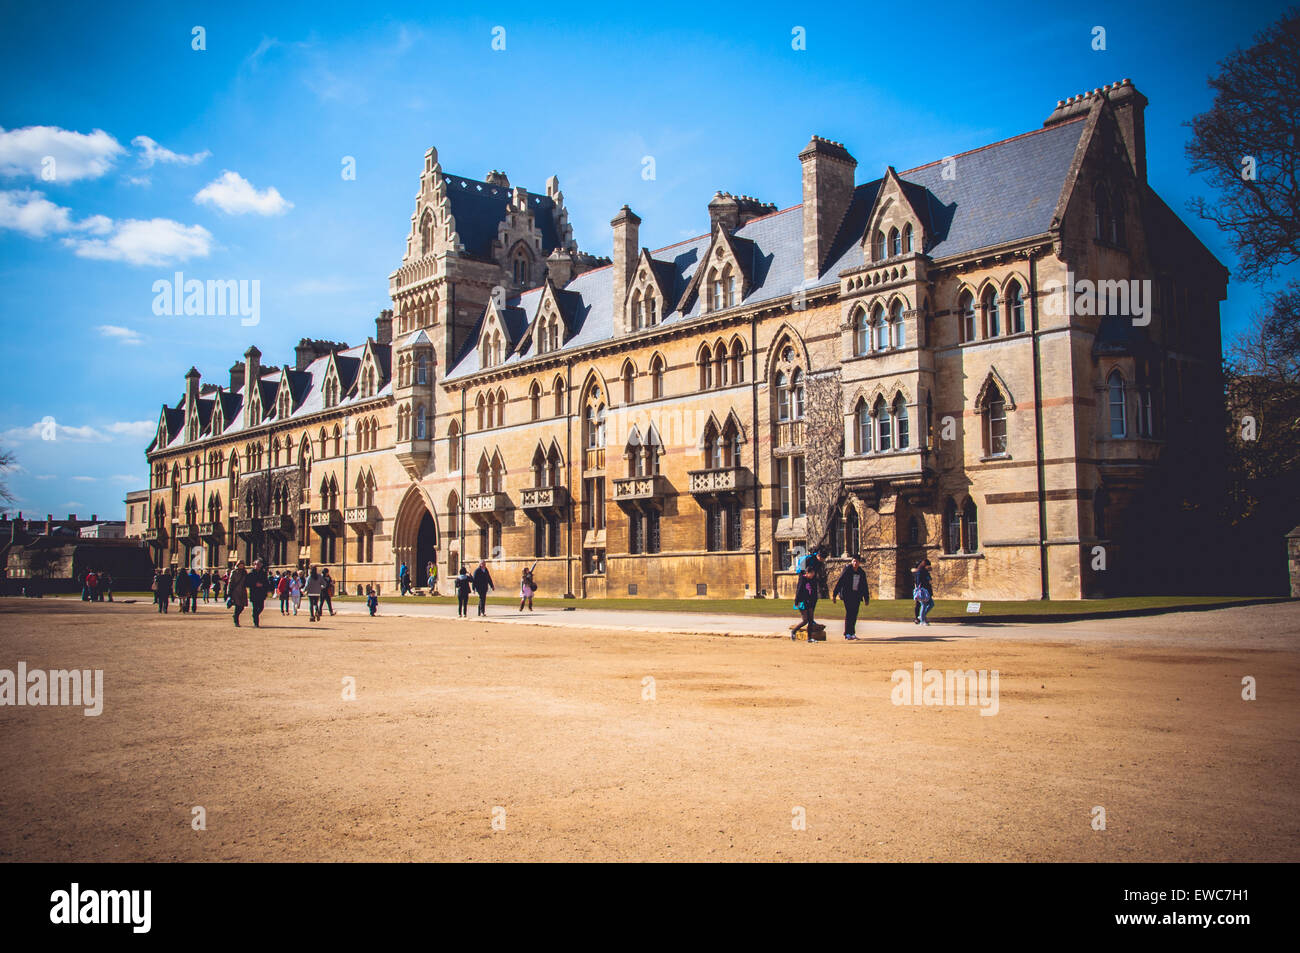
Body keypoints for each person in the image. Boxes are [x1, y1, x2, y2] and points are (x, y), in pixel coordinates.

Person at [831, 554, 870, 641]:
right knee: (849, 613)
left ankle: (852, 633)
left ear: (859, 562)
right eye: (854, 561)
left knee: (854, 614)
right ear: (852, 561)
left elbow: (864, 586)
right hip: (847, 595)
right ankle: (847, 633)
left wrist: (866, 598)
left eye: (857, 561)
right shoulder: (847, 570)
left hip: (856, 596)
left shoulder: (861, 572)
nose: (855, 563)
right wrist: (834, 594)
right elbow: (840, 581)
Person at [790, 567, 820, 640]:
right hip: (802, 602)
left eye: (813, 574)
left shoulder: (812, 580)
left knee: (810, 620)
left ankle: (809, 638)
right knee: (805, 620)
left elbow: (813, 592)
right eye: (811, 574)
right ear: (807, 573)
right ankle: (794, 631)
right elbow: (799, 591)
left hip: (810, 602)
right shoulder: (802, 579)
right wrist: (796, 601)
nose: (813, 575)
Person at [247, 558, 269, 627]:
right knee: (255, 607)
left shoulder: (263, 573)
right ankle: (256, 623)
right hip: (254, 593)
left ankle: (255, 615)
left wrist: (263, 585)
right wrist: (254, 584)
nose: (257, 566)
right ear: (254, 565)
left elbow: (266, 583)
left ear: (261, 565)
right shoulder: (251, 573)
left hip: (261, 593)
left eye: (259, 564)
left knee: (261, 607)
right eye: (256, 564)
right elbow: (247, 583)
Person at [911, 558, 934, 625]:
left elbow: (930, 580)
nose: (929, 567)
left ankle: (921, 617)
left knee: (931, 604)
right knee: (923, 605)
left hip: (927, 591)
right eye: (928, 565)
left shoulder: (926, 572)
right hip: (922, 591)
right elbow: (918, 582)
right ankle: (922, 620)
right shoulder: (920, 572)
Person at [228, 561, 248, 626]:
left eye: (242, 564)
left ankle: (235, 616)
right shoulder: (234, 572)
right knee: (237, 606)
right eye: (240, 564)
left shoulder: (244, 572)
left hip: (242, 591)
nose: (241, 566)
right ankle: (236, 620)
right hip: (235, 591)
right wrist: (229, 592)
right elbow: (230, 582)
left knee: (242, 606)